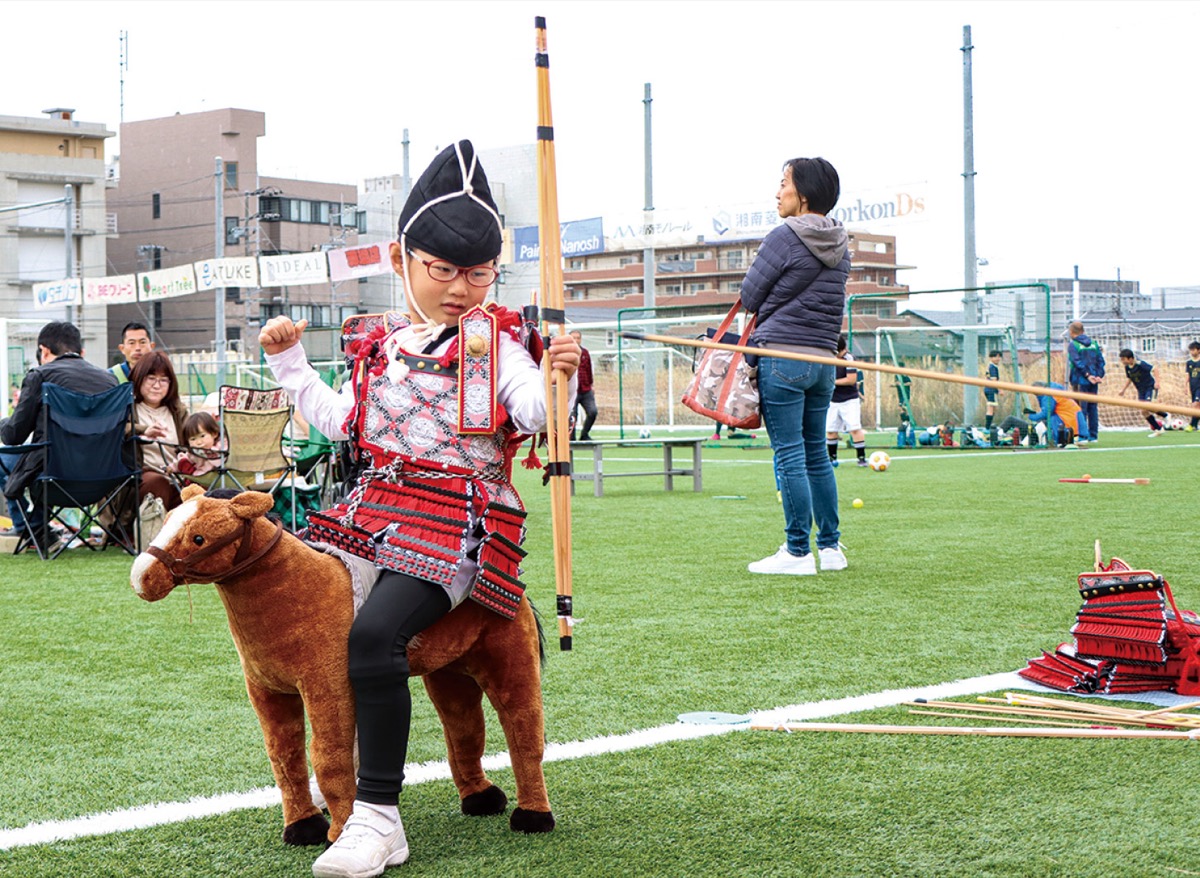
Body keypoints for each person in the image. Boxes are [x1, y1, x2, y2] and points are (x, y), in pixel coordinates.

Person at [258, 140, 579, 878]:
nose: (462, 288)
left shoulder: (499, 346)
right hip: (367, 515)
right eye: (443, 270)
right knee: (304, 613)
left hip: (458, 522)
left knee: (374, 636)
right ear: (404, 261)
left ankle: (378, 819)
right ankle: (336, 782)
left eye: (478, 272)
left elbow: (532, 410)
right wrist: (290, 365)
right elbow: (342, 422)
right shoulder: (380, 345)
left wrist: (556, 378)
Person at [740, 156, 849, 576]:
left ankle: (798, 552)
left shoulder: (783, 237)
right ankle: (831, 549)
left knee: (789, 454)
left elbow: (750, 297)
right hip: (822, 361)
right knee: (816, 454)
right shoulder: (841, 243)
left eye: (784, 183)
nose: (777, 192)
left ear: (803, 193)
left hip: (782, 358)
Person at [0, 321, 118, 553]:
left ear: (43, 351)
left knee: (7, 459)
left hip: (54, 475)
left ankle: (34, 529)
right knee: (44, 455)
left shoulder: (40, 376)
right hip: (105, 477)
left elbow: (13, 436)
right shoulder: (109, 381)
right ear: (81, 352)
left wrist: (3, 422)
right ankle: (38, 529)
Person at [130, 350, 189, 510]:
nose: (157, 386)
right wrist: (143, 431)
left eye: (163, 380)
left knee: (198, 488)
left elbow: (193, 439)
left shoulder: (178, 412)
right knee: (158, 482)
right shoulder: (127, 409)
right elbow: (118, 430)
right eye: (151, 378)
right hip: (140, 479)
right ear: (139, 379)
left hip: (177, 477)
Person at [826, 334, 867, 468]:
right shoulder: (828, 357)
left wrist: (832, 382)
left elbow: (851, 379)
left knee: (854, 429)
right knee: (831, 430)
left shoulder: (849, 358)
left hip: (849, 400)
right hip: (832, 400)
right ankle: (832, 459)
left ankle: (861, 459)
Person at [1066, 321, 1104, 442]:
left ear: (1071, 332)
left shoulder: (1073, 345)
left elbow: (1077, 362)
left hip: (1080, 379)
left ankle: (1082, 435)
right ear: (1083, 331)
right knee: (1092, 407)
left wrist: (1087, 375)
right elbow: (1101, 361)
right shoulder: (1094, 343)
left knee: (1080, 407)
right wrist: (1098, 375)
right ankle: (1093, 435)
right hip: (1094, 380)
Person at [1117, 349, 1166, 436]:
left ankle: (1166, 415)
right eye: (1121, 359)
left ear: (1130, 358)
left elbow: (1155, 369)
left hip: (1150, 388)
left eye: (1124, 359)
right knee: (1143, 411)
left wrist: (1157, 382)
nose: (1122, 361)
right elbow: (1130, 378)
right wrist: (1123, 390)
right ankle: (1158, 429)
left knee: (1148, 406)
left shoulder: (1140, 364)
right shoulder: (1127, 367)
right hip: (1141, 390)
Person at [1027, 381, 1087, 447]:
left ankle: (1060, 441)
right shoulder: (1055, 388)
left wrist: (1031, 416)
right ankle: (1078, 437)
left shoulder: (1048, 394)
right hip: (1075, 416)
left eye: (1036, 394)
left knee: (1052, 420)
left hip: (1068, 419)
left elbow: (1047, 413)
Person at [170, 411, 224, 479]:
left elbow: (220, 462)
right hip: (197, 478)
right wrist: (172, 467)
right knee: (183, 461)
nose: (198, 442)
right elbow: (185, 458)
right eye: (193, 439)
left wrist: (209, 452)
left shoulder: (220, 447)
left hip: (216, 477)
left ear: (214, 434)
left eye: (202, 436)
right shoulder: (193, 452)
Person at [568, 329, 597, 441]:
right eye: (573, 338)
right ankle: (571, 439)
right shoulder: (566, 354)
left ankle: (584, 434)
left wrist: (591, 385)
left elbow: (589, 370)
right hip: (572, 391)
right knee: (572, 416)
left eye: (578, 338)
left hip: (585, 389)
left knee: (592, 412)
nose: (576, 340)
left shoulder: (585, 353)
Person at [984, 350, 1002, 431]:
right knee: (990, 409)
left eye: (999, 357)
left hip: (988, 389)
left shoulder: (990, 366)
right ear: (991, 358)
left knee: (993, 408)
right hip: (991, 390)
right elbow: (994, 380)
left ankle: (989, 426)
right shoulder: (993, 367)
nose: (998, 358)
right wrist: (1000, 390)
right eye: (996, 357)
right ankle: (987, 428)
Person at [1186, 341, 1200, 431]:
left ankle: (1191, 425)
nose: (1192, 352)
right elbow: (1187, 375)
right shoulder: (1189, 362)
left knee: (1195, 405)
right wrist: (1185, 386)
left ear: (1199, 350)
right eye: (1190, 350)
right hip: (1193, 387)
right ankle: (1195, 426)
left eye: (1193, 350)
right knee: (1197, 407)